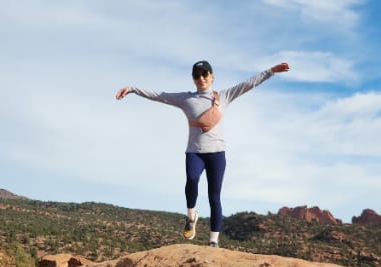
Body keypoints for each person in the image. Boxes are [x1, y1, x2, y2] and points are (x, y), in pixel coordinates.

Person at [116, 60, 289, 247]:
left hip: (217, 154)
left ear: (212, 76)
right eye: (197, 75)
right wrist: (132, 88)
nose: (201, 78)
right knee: (192, 178)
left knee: (214, 197)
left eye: (205, 74)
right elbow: (159, 95)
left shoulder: (224, 96)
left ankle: (213, 241)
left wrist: (271, 71)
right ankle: (191, 216)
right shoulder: (186, 99)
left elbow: (249, 84)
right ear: (193, 79)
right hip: (195, 152)